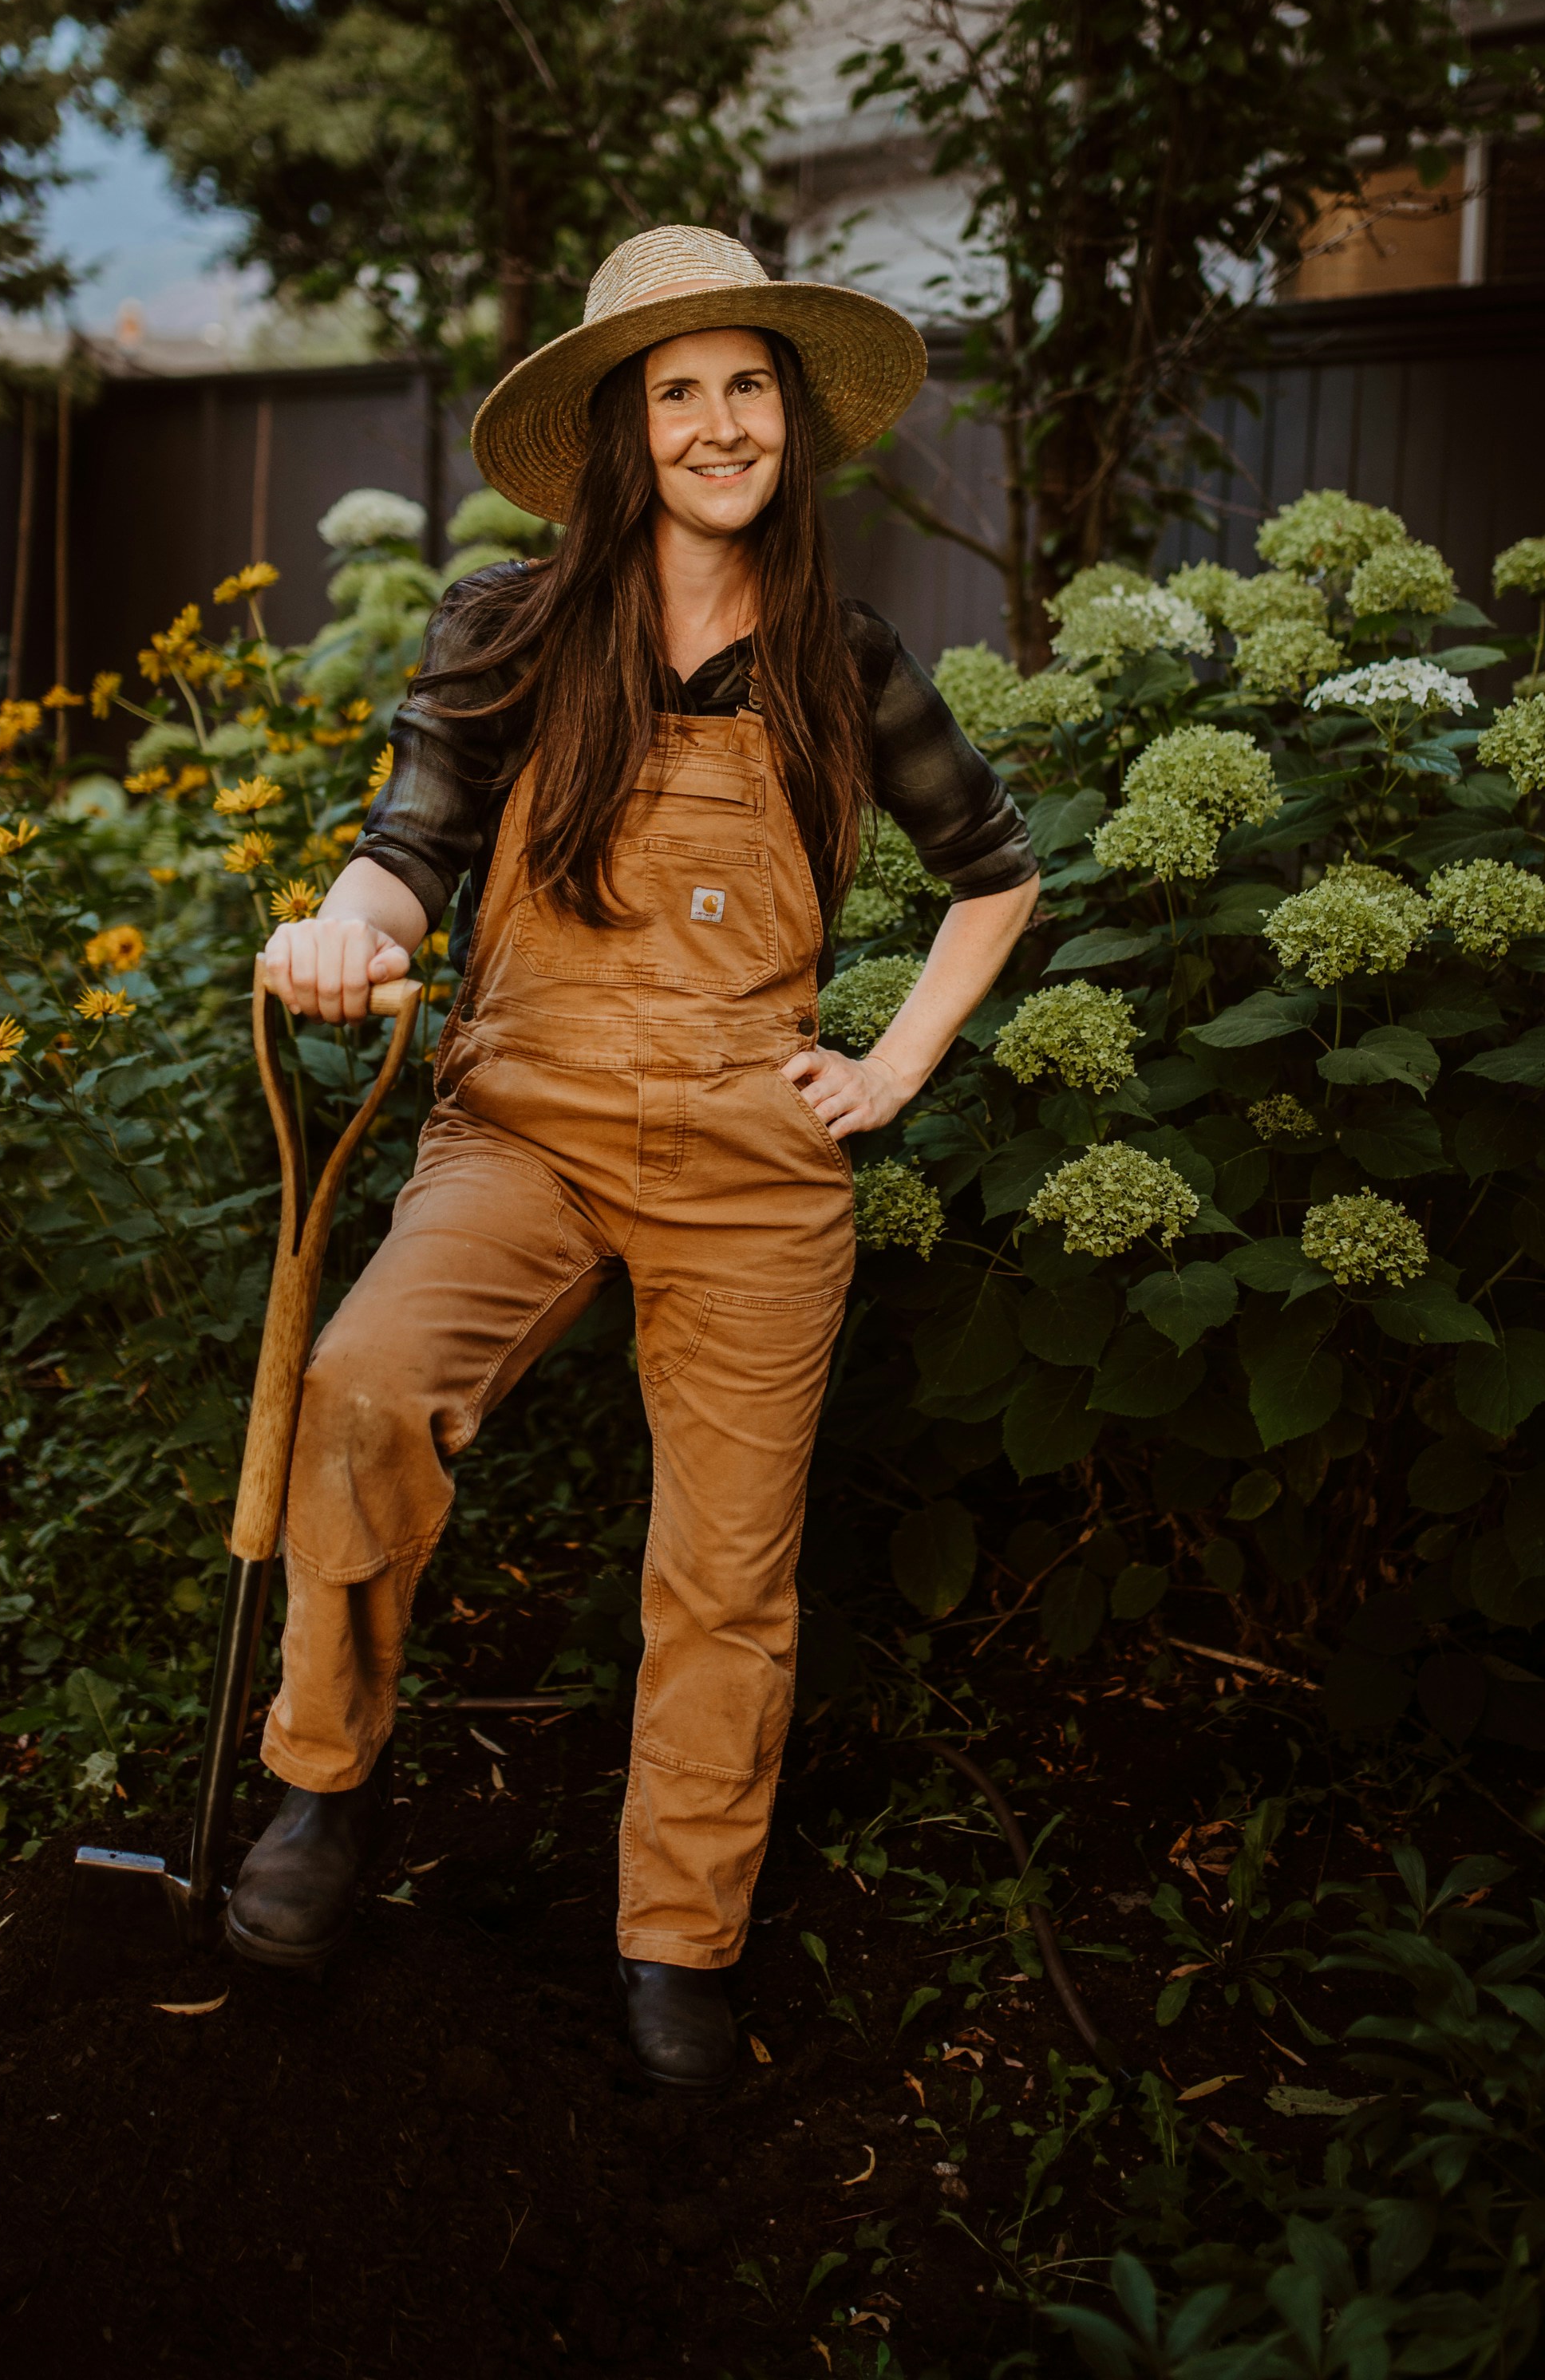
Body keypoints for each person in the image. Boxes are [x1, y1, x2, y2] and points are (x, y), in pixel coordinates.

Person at [228, 225, 1040, 2083]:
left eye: (745, 385)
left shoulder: (843, 656)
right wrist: (347, 932)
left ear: (788, 423)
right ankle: (323, 1788)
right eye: (676, 392)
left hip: (755, 1160)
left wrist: (892, 1065)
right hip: (523, 1121)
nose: (716, 421)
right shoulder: (509, 630)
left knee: (726, 1575)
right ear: (620, 433)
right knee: (357, 1388)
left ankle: (677, 1935)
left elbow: (996, 874)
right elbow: (408, 842)